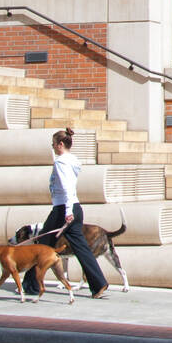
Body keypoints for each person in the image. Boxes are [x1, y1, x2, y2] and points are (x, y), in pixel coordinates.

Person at [23, 128, 110, 299]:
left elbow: (67, 187)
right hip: (74, 207)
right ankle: (99, 283)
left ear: (60, 144)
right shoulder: (73, 160)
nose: (53, 148)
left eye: (54, 144)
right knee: (81, 248)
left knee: (42, 244)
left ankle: (30, 284)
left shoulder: (61, 162)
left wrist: (68, 212)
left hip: (64, 209)